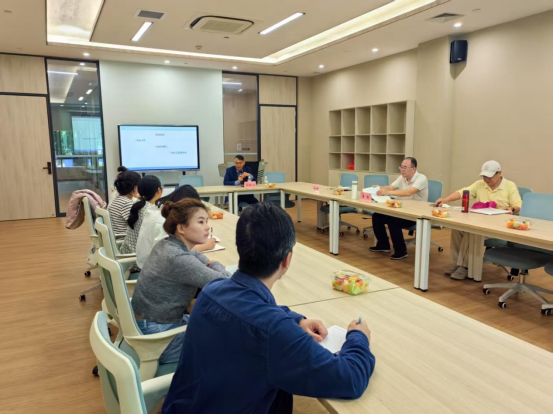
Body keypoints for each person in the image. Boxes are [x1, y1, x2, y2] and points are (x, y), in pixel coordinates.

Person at [163, 203, 376, 414]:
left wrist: (297, 320)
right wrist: (358, 337)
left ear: (240, 248)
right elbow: (350, 379)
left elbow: (252, 309)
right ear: (287, 259)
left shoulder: (212, 289)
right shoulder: (273, 331)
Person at [131, 198, 231, 364]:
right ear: (181, 228)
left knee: (217, 321)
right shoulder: (178, 258)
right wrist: (216, 264)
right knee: (233, 339)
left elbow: (194, 254)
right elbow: (226, 283)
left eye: (207, 221)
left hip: (148, 323)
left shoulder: (168, 244)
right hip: (158, 338)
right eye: (201, 222)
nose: (207, 227)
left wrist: (210, 264)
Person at [435, 160, 522, 280]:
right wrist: (445, 199)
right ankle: (457, 263)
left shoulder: (509, 186)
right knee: (458, 229)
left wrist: (512, 208)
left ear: (499, 173)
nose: (486, 180)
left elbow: (518, 205)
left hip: (498, 225)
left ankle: (465, 266)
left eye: (489, 177)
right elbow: (462, 192)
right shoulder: (480, 184)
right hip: (480, 221)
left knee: (471, 232)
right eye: (484, 177)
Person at [135, 185, 217, 268]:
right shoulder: (163, 221)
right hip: (149, 268)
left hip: (147, 264)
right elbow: (168, 254)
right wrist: (205, 246)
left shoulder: (158, 209)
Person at [369, 157, 429, 260]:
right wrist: (379, 188)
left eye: (405, 167)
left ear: (413, 169)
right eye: (401, 167)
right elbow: (391, 187)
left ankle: (401, 251)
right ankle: (383, 245)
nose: (402, 170)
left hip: (415, 214)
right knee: (377, 216)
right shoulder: (402, 178)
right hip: (402, 210)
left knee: (393, 220)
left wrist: (388, 192)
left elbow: (408, 192)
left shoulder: (421, 178)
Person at [120, 176, 163, 255]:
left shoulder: (137, 204)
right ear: (159, 190)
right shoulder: (151, 212)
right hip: (135, 256)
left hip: (126, 251)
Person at [107, 167, 141, 235]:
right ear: (135, 188)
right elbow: (137, 225)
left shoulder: (118, 199)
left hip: (117, 236)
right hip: (123, 238)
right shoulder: (127, 204)